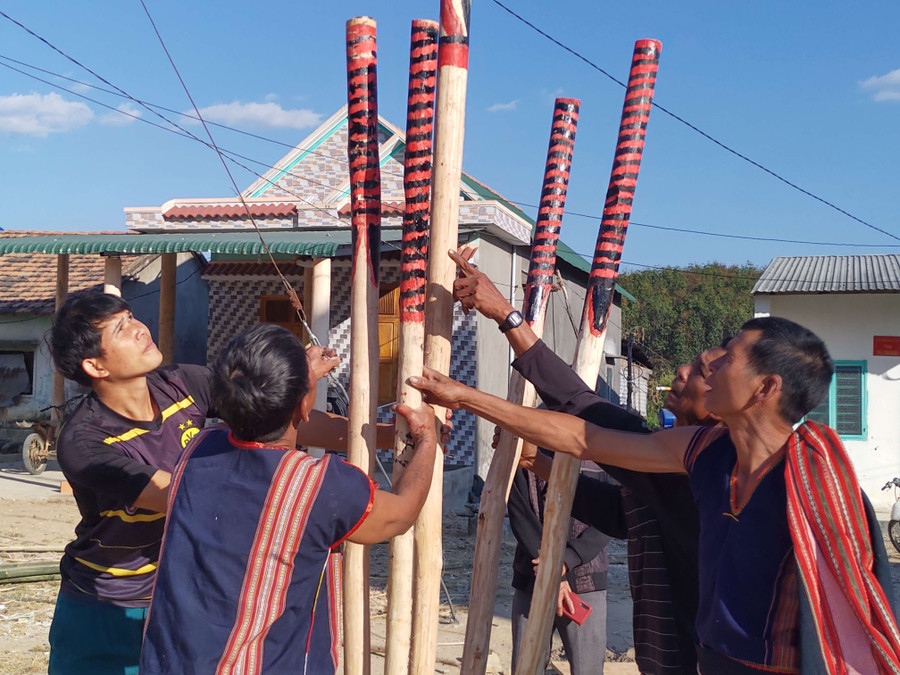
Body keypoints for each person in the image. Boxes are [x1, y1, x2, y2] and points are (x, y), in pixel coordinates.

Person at [411, 315, 900, 673]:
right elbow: (587, 436)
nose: (708, 371)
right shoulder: (703, 451)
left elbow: (852, 609)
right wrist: (468, 397)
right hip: (709, 660)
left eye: (728, 360)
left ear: (765, 387)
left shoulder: (813, 487)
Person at [44, 290, 435, 674]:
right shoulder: (85, 443)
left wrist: (386, 434)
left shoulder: (181, 383)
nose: (140, 330)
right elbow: (184, 494)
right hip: (109, 600)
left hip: (182, 588)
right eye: (120, 330)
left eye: (132, 318)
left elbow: (264, 412)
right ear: (95, 366)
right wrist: (296, 403)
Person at [454, 247, 720, 673]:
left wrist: (468, 394)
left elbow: (583, 426)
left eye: (706, 372)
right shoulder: (677, 461)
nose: (683, 371)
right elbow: (618, 510)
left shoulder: (700, 464)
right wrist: (539, 465)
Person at [139, 324, 438, 674]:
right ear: (304, 405)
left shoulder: (197, 450)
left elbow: (272, 419)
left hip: (172, 662)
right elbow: (400, 515)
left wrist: (300, 382)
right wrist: (428, 441)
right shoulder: (321, 484)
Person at [508, 447, 611, 674]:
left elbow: (611, 517)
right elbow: (519, 512)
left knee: (588, 669)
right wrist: (552, 570)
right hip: (532, 579)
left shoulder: (601, 446)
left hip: (586, 584)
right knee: (526, 667)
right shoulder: (527, 446)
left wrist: (565, 561)